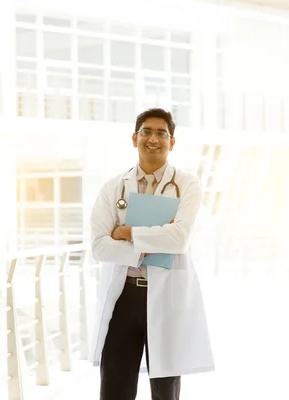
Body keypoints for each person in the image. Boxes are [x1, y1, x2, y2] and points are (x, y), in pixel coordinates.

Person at [89, 108, 215, 400]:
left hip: (167, 296)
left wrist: (127, 233)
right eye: (146, 131)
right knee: (114, 388)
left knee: (165, 391)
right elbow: (99, 246)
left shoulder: (186, 184)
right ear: (135, 138)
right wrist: (148, 247)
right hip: (124, 298)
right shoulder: (114, 187)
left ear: (172, 143)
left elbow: (179, 239)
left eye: (162, 133)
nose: (153, 139)